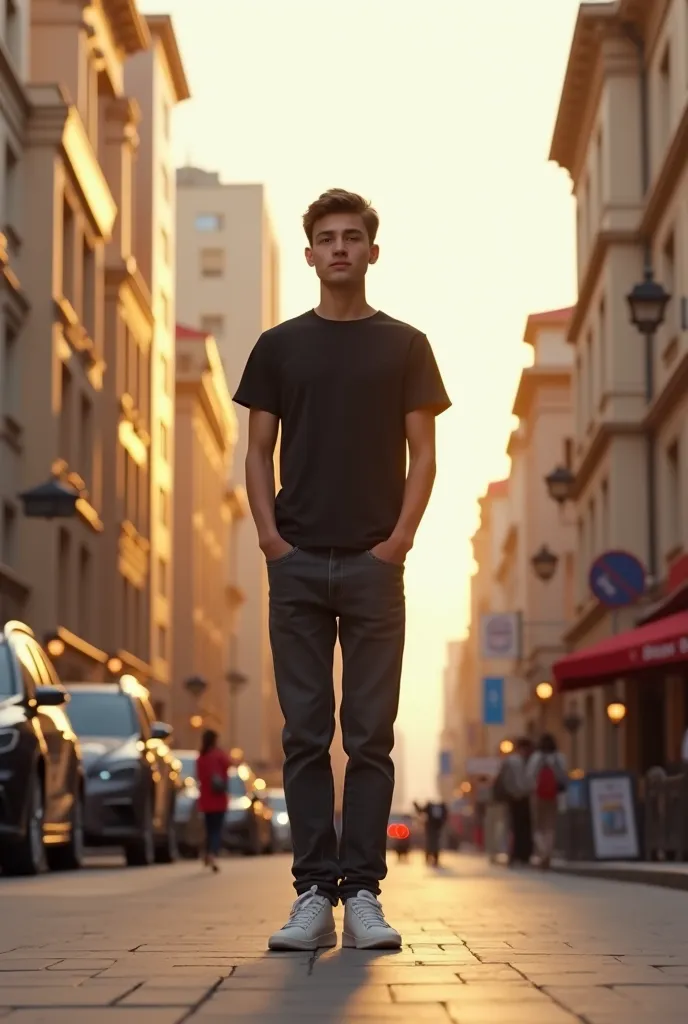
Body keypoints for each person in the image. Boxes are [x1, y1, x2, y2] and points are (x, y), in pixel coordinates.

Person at [233, 188, 450, 951]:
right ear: (310, 254)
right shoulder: (278, 346)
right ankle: (310, 897)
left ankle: (362, 894)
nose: (339, 249)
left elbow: (424, 454)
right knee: (302, 734)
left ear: (372, 251)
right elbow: (256, 453)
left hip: (372, 564)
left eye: (352, 237)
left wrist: (398, 542)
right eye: (326, 238)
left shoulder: (406, 345)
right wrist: (269, 540)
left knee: (368, 736)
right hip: (294, 563)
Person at [527, 733, 567, 869]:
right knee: (550, 826)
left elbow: (530, 776)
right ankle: (548, 853)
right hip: (554, 795)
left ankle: (543, 853)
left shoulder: (536, 757)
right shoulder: (559, 757)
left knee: (538, 826)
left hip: (538, 795)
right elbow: (564, 776)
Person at [494, 737, 534, 866]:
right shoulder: (519, 761)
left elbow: (504, 779)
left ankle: (519, 854)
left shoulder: (514, 761)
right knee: (520, 826)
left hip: (515, 797)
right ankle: (520, 854)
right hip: (519, 797)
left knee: (516, 826)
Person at [195, 729, 230, 873]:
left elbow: (199, 776)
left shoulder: (201, 757)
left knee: (209, 830)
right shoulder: (218, 755)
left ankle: (207, 853)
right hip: (219, 800)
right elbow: (228, 763)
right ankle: (212, 854)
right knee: (217, 830)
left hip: (206, 800)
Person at [413, 800, 448, 866]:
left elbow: (420, 811)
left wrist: (415, 805)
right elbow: (445, 816)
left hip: (430, 828)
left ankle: (428, 858)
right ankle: (435, 859)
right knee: (435, 843)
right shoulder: (441, 807)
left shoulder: (429, 806)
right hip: (437, 828)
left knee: (430, 843)